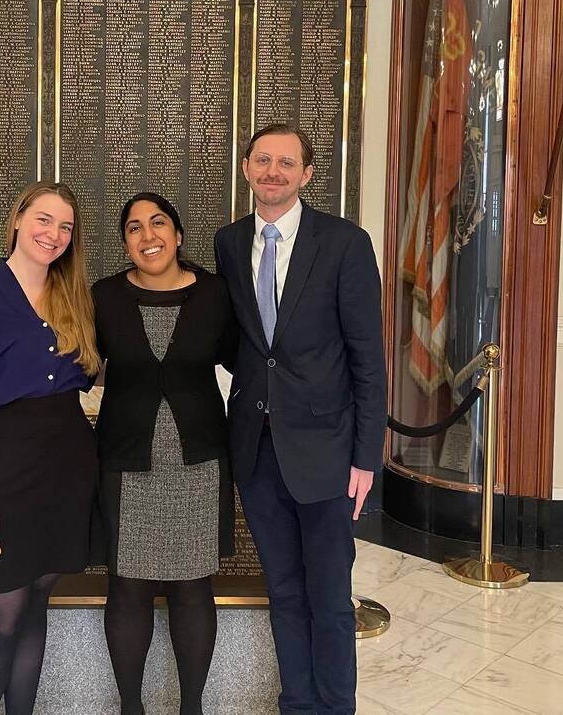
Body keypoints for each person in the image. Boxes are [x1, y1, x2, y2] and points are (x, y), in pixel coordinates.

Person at [214, 124, 386, 715]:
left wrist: (366, 456)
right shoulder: (229, 244)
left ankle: (336, 707)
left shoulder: (344, 243)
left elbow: (368, 358)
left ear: (308, 174)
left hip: (329, 454)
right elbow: (245, 344)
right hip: (256, 453)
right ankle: (298, 704)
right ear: (246, 168)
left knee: (331, 598)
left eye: (287, 163)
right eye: (263, 160)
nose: (273, 172)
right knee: (284, 592)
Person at [0, 181, 101, 715]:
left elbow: (83, 380)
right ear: (17, 220)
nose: (53, 235)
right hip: (6, 473)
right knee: (0, 621)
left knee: (36, 607)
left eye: (65, 227)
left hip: (67, 468)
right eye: (43, 220)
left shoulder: (71, 297)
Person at [92, 192, 238, 715]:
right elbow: (79, 366)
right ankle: (130, 705)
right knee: (127, 586)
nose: (147, 235)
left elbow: (248, 360)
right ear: (125, 243)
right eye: (134, 227)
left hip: (197, 460)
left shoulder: (216, 295)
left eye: (158, 224)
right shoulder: (104, 297)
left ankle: (191, 706)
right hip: (128, 462)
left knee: (193, 588)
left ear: (178, 235)